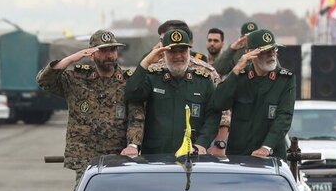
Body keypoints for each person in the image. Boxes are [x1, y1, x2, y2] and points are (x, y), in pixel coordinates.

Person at [36, 30, 144, 186]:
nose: (109, 55)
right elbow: (44, 81)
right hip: (85, 159)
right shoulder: (77, 80)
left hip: (118, 156)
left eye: (113, 50)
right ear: (92, 54)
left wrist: (132, 145)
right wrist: (72, 58)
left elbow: (136, 117)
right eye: (103, 50)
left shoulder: (129, 82)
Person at [124, 28, 220, 155]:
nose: (178, 56)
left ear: (189, 51)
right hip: (156, 157)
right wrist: (146, 62)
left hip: (191, 155)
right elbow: (132, 94)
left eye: (182, 51)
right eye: (172, 51)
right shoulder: (153, 78)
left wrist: (202, 144)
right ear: (163, 53)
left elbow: (212, 116)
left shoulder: (203, 81)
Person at [211, 28, 295, 159]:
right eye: (266, 52)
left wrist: (266, 147)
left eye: (274, 50)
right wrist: (237, 69)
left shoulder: (285, 79)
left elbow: (284, 117)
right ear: (251, 54)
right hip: (239, 155)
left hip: (271, 155)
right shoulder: (239, 76)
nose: (272, 54)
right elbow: (219, 103)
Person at [149, 21, 231, 146]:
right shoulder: (152, 68)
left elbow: (221, 113)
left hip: (196, 147)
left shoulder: (206, 72)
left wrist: (219, 144)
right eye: (162, 39)